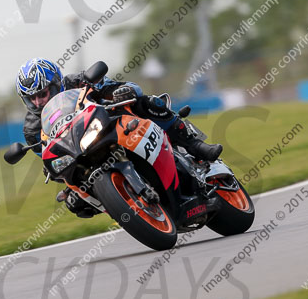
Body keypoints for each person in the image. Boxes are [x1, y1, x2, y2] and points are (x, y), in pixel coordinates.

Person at [15, 58, 223, 217]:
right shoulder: (32, 129)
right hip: (80, 154)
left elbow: (122, 87)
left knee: (147, 103)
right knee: (76, 205)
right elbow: (52, 157)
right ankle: (123, 204)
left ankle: (195, 145)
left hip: (109, 125)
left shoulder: (78, 82)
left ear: (56, 83)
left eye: (42, 93)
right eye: (31, 98)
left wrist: (122, 92)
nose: (38, 102)